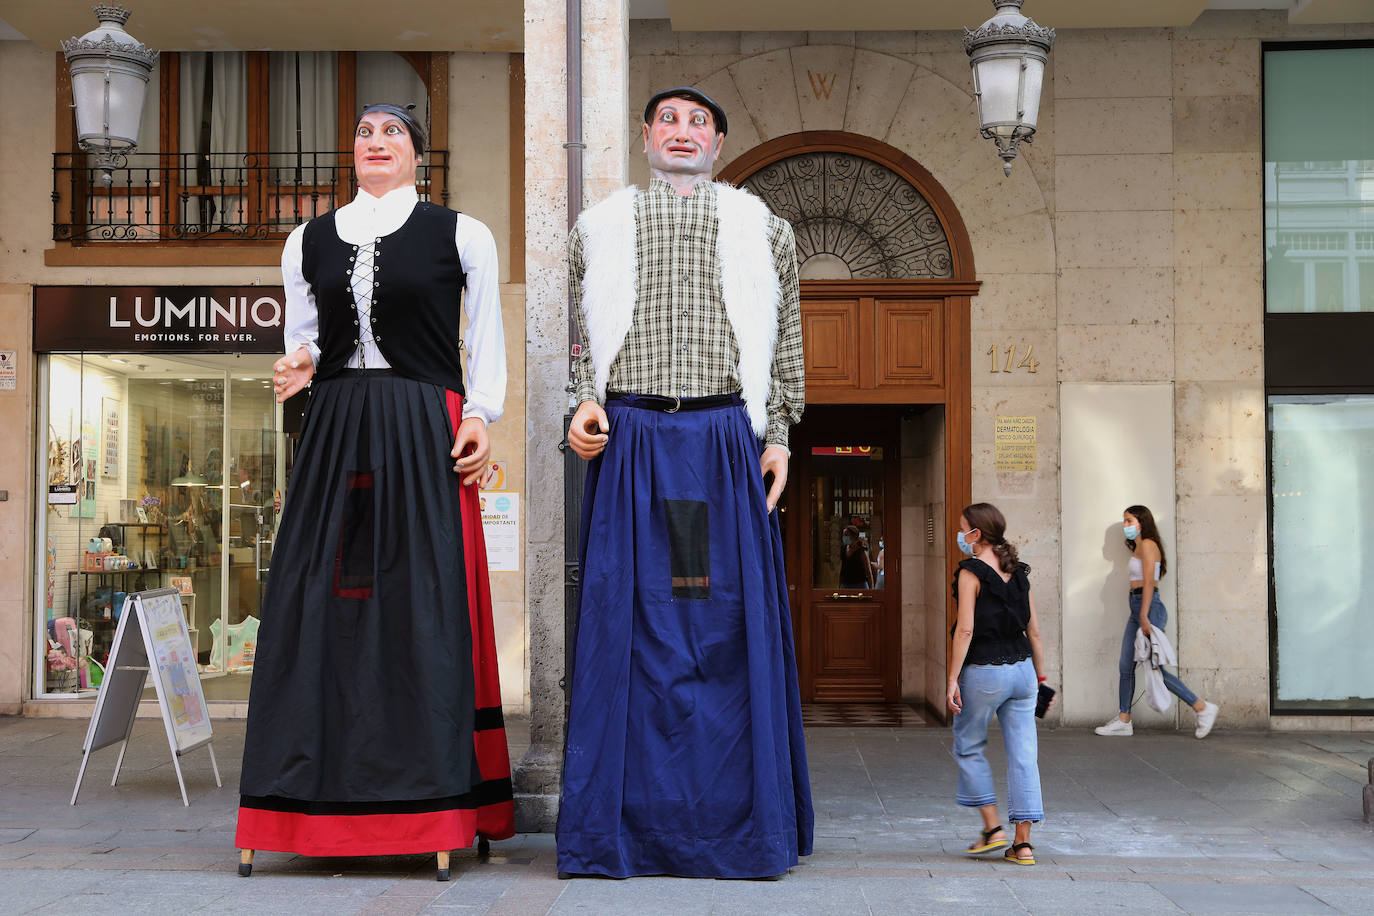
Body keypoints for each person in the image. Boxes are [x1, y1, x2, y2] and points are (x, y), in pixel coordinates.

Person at [234, 103, 514, 875]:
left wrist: (482, 415)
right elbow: (306, 339)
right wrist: (298, 363)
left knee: (425, 599)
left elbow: (485, 338)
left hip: (426, 424)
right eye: (364, 133)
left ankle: (434, 799)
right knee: (319, 598)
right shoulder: (307, 240)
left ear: (418, 155)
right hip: (334, 428)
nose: (375, 142)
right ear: (350, 153)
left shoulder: (463, 233)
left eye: (392, 132)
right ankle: (301, 803)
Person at [556, 86, 813, 880]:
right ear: (644, 138)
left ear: (719, 144)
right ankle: (620, 831)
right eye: (667, 119)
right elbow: (573, 335)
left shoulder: (764, 227)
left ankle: (738, 829)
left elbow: (787, 342)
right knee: (623, 628)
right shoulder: (597, 227)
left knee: (722, 628)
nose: (682, 131)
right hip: (631, 439)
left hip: (720, 441)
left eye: (698, 121)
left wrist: (778, 436)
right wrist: (582, 404)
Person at [947, 503, 1047, 866]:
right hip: (1022, 670)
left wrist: (951, 679)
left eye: (963, 529)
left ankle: (993, 829)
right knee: (1024, 755)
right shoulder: (1019, 572)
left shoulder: (970, 572)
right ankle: (1023, 845)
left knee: (968, 746)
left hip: (985, 669)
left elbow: (965, 630)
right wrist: (1041, 676)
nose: (960, 536)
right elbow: (1034, 630)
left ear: (977, 534)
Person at [1095, 505, 1219, 738]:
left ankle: (1202, 708)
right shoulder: (1140, 547)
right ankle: (1124, 719)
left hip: (1148, 608)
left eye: (1129, 521)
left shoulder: (1149, 545)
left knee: (1156, 669)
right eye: (1124, 521)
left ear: (1142, 522)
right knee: (1125, 666)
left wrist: (1144, 614)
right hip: (1138, 608)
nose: (1126, 526)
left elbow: (1150, 582)